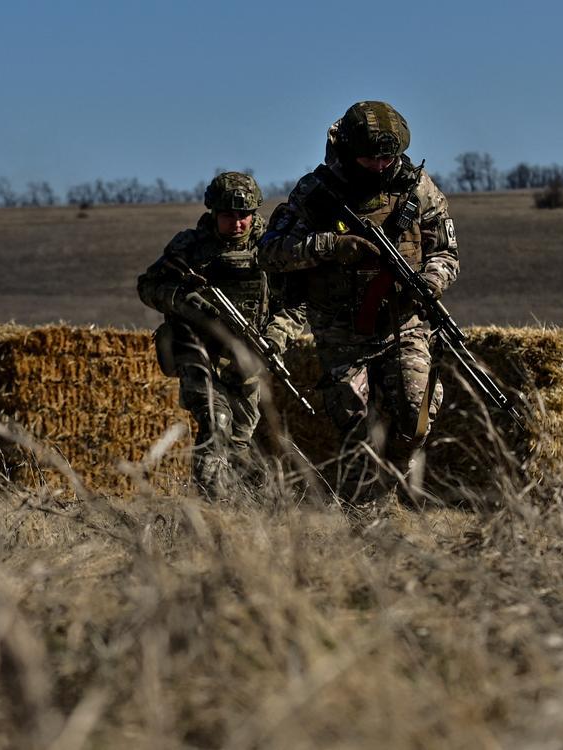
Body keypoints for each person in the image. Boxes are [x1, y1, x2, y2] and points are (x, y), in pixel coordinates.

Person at [257, 101, 458, 499]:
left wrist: (430, 281)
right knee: (355, 421)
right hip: (341, 328)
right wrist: (330, 246)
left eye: (389, 157)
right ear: (350, 151)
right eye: (370, 158)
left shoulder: (417, 188)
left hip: (403, 321)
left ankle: (392, 486)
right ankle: (362, 511)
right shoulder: (316, 193)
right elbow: (270, 251)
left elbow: (445, 253)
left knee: (413, 416)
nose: (381, 165)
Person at [137, 172, 305, 496]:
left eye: (244, 215)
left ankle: (248, 508)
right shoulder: (191, 246)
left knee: (239, 445)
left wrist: (274, 338)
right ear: (213, 213)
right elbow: (149, 286)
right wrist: (184, 301)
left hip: (247, 357)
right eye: (229, 215)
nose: (238, 223)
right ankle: (210, 511)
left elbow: (297, 307)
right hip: (197, 352)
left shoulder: (272, 250)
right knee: (216, 424)